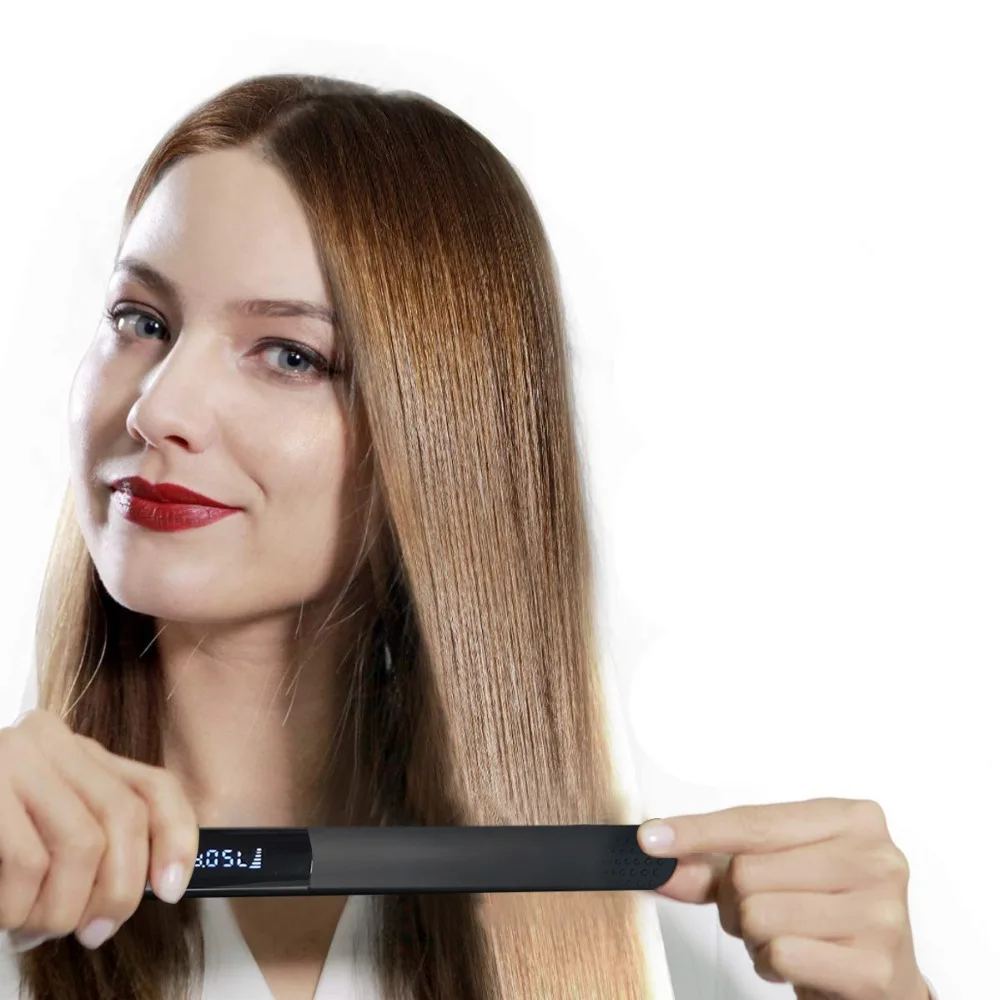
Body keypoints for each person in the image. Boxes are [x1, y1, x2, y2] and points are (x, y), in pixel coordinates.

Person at [0, 73, 675, 999]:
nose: (159, 410)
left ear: (445, 438)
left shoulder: (593, 905)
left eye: (291, 356)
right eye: (141, 321)